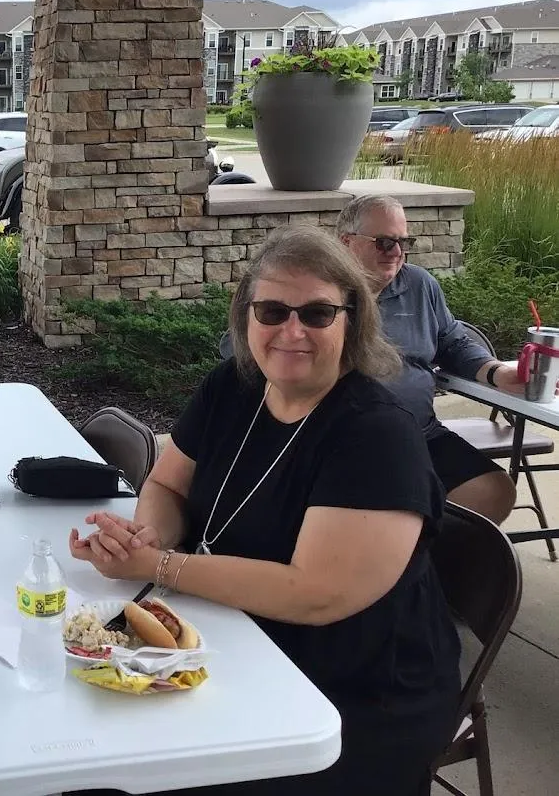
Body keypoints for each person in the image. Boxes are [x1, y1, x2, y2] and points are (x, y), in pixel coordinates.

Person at [69, 226, 461, 796]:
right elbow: (168, 485)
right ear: (247, 316)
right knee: (89, 726)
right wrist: (143, 536)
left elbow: (316, 593)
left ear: (352, 320)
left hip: (350, 693)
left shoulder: (375, 436)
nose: (292, 330)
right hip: (237, 633)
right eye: (273, 310)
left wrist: (154, 566)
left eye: (318, 314)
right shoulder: (233, 386)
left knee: (127, 767)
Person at [336, 194, 519, 524]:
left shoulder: (420, 285)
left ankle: (418, 550)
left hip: (419, 432)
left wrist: (497, 373)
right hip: (346, 441)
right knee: (391, 500)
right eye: (384, 242)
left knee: (493, 490)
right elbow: (244, 347)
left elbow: (452, 342)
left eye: (404, 242)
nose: (396, 252)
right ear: (346, 242)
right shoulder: (318, 290)